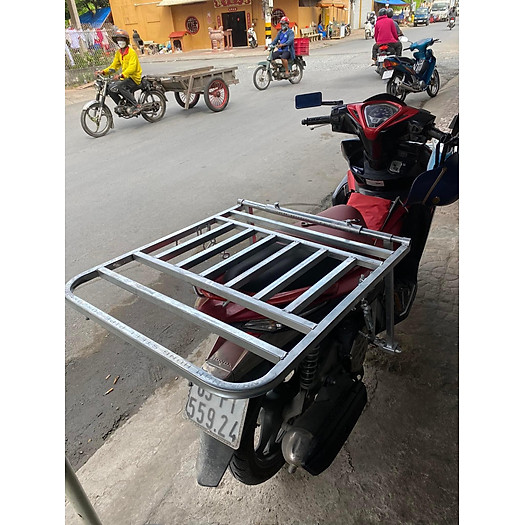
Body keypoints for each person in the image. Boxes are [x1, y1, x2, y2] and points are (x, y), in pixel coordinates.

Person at [95, 29, 143, 115]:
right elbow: (114, 66)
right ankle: (123, 105)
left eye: (122, 39)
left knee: (120, 86)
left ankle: (136, 105)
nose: (120, 41)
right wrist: (103, 72)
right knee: (110, 89)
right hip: (125, 77)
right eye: (118, 40)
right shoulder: (118, 53)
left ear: (126, 40)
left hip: (134, 78)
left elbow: (132, 68)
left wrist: (121, 75)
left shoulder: (131, 52)